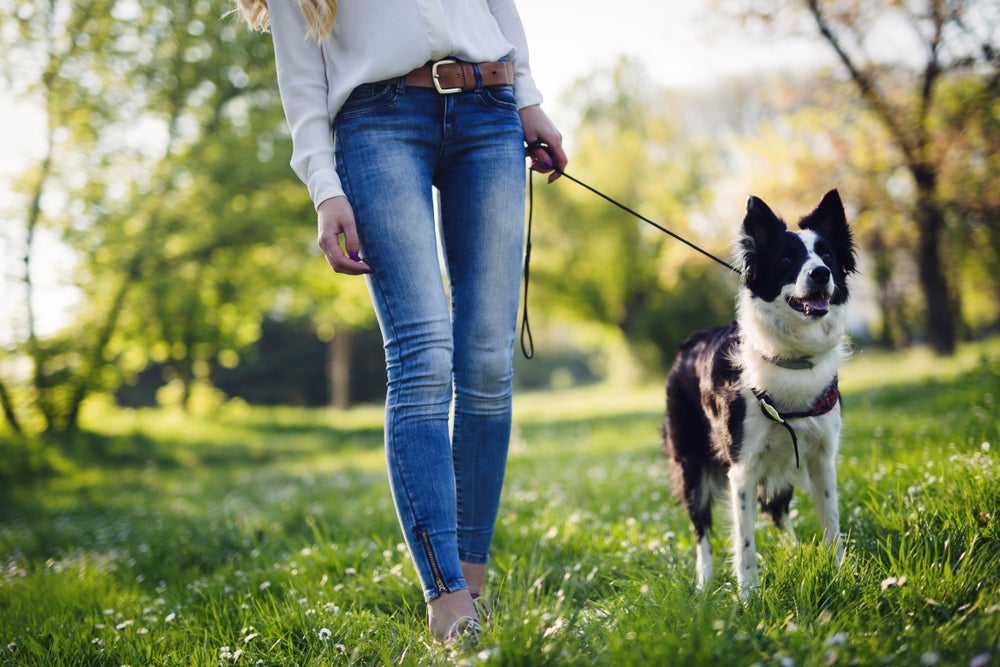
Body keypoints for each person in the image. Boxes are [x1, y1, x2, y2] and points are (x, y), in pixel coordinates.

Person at [236, 0, 567, 642]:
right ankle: (446, 602)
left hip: (490, 106)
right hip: (377, 122)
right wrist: (324, 187)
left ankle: (472, 583)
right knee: (423, 360)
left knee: (486, 364)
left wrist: (528, 98)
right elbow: (300, 78)